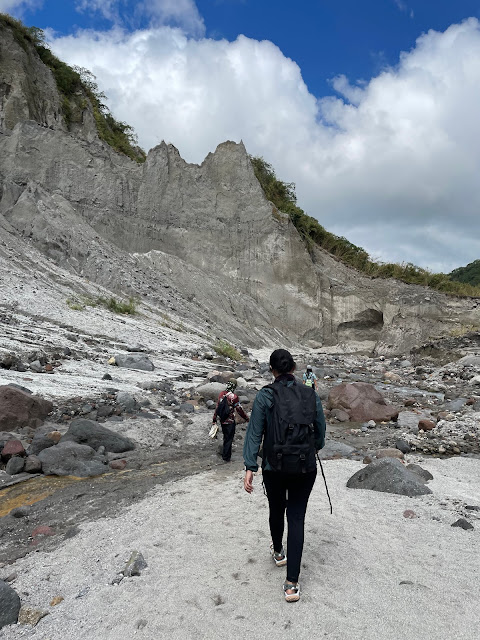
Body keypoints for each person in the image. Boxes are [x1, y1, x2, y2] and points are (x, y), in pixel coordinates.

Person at [243, 349, 326, 602]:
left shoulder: (265, 395)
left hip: (274, 467)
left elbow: (254, 433)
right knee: (297, 517)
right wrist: (313, 450)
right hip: (305, 466)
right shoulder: (310, 394)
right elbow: (320, 432)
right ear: (294, 368)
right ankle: (292, 584)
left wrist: (250, 466)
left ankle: (278, 552)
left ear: (272, 370)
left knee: (277, 509)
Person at [212, 379, 249, 462]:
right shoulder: (234, 397)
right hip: (230, 421)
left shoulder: (221, 394)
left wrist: (214, 419)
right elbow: (239, 409)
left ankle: (225, 454)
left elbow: (217, 407)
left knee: (225, 437)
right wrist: (246, 418)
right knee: (229, 439)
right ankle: (226, 457)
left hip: (222, 420)